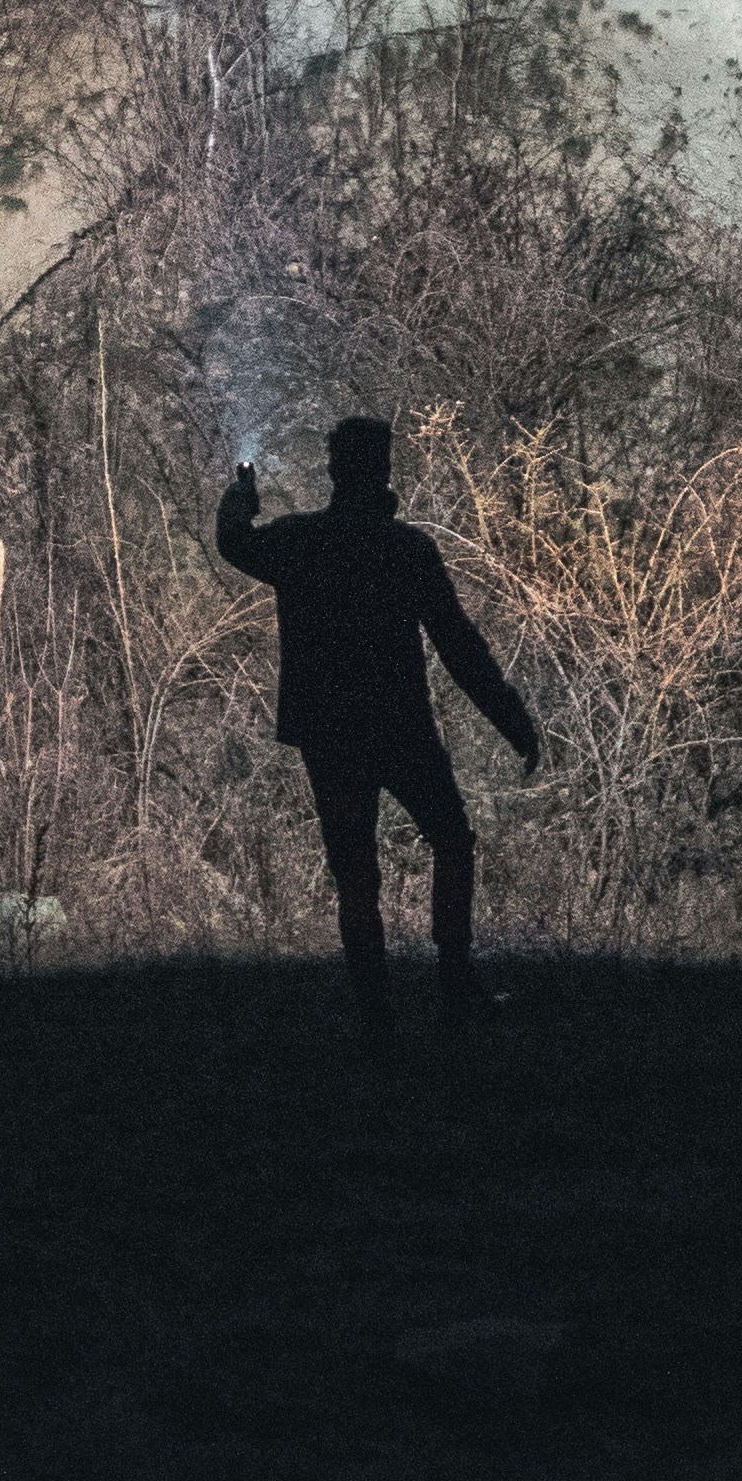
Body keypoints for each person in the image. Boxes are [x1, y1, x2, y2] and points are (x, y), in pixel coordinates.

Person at [217, 414, 539, 1035]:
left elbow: (236, 541)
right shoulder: (406, 550)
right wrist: (511, 718)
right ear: (385, 469)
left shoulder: (299, 541)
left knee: (355, 868)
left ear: (334, 469)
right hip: (400, 726)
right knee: (450, 838)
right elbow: (459, 646)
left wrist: (240, 496)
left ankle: (375, 1010)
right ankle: (454, 981)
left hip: (329, 733)